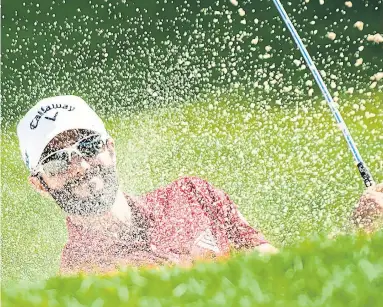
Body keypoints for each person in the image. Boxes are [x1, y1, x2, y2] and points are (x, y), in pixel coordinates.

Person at [17, 96, 382, 276]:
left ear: (109, 149)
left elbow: (285, 276)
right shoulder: (83, 272)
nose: (79, 164)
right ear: (40, 184)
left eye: (88, 145)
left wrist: (358, 231)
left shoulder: (192, 195)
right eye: (57, 160)